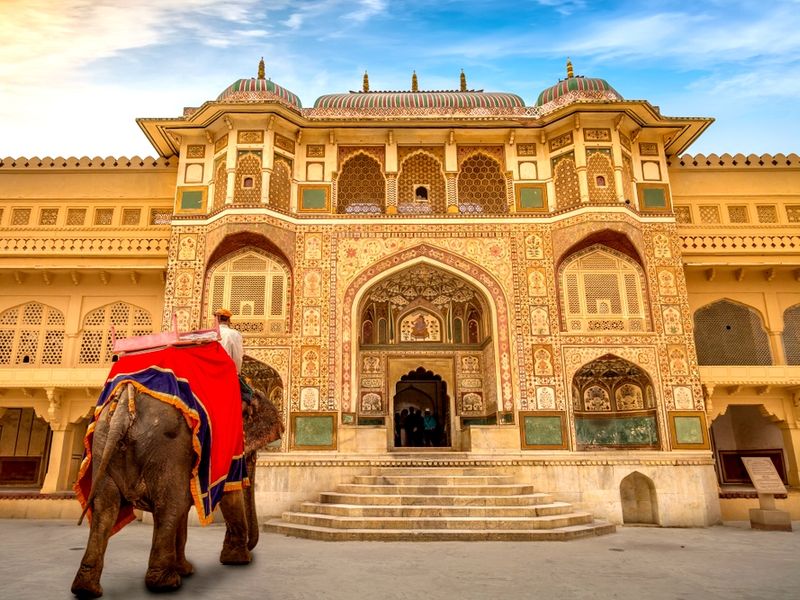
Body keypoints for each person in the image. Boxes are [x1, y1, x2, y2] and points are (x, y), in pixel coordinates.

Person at [215, 308, 243, 374]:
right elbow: (237, 357)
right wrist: (236, 372)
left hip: (213, 373)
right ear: (228, 320)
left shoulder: (211, 334)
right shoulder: (235, 334)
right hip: (228, 373)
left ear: (217, 319)